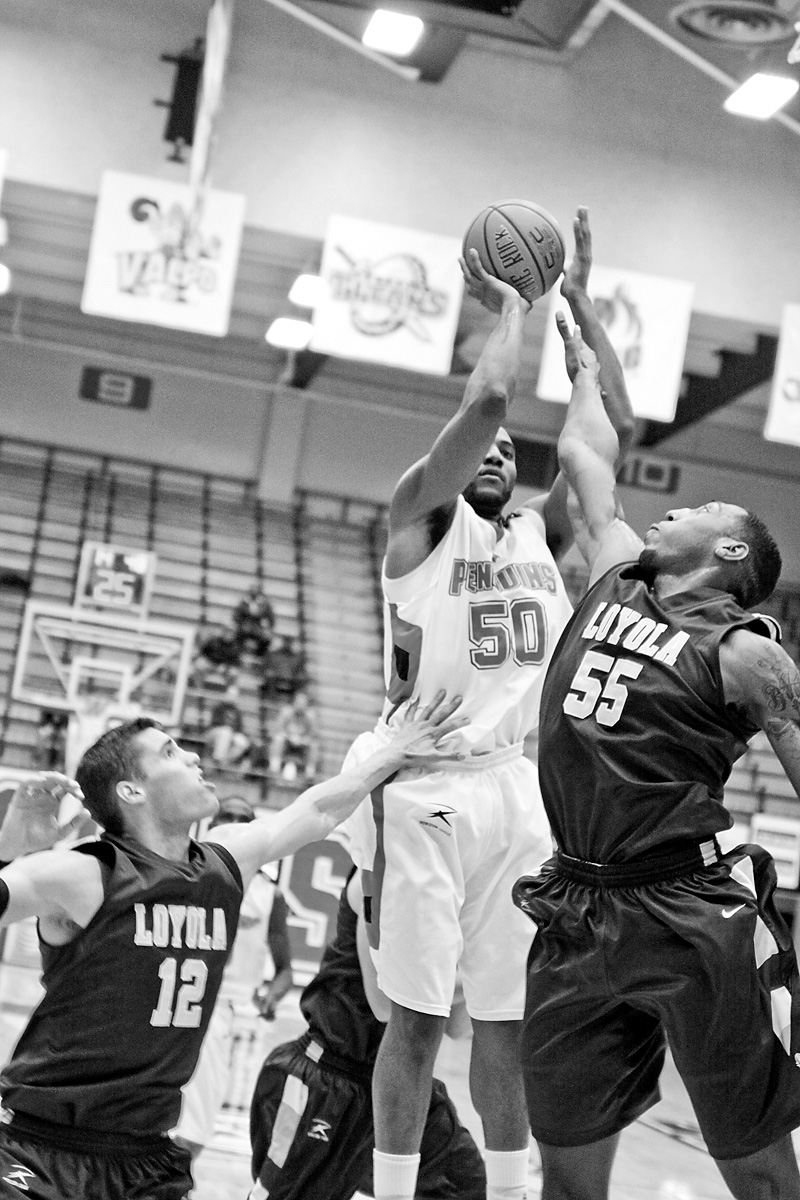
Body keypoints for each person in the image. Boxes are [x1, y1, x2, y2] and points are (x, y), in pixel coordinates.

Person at [341, 208, 635, 1200]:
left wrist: (578, 314)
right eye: (487, 448)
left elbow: (604, 435)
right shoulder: (416, 524)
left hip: (520, 791)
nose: (501, 450)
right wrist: (520, 300)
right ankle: (390, 1191)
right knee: (415, 1021)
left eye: (513, 450)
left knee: (509, 1020)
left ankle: (507, 1194)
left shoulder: (535, 540)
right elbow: (485, 400)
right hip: (426, 789)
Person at [513, 318, 799, 1199]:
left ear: (731, 552)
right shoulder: (614, 568)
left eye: (699, 510)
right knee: (563, 1172)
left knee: (752, 1164)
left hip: (693, 909)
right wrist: (587, 369)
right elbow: (585, 460)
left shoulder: (747, 650)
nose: (670, 508)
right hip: (577, 899)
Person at [0, 692, 465, 1200]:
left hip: (142, 1155)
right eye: (171, 752)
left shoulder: (223, 864)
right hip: (39, 1145)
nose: (194, 756)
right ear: (131, 791)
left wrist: (394, 752)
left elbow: (318, 809)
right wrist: (6, 849)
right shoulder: (85, 872)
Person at [248, 866, 485, 1200]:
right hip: (329, 1080)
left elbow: (459, 1027)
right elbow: (384, 1002)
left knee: (465, 1188)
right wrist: (495, 976)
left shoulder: (463, 898)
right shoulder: (379, 871)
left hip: (404, 1087)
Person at [173, 796, 293, 1163]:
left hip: (237, 1013)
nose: (236, 822)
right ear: (209, 826)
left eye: (244, 818)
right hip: (181, 1003)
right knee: (178, 1114)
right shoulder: (182, 878)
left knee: (209, 1114)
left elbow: (285, 969)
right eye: (228, 816)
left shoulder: (269, 894)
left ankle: (174, 1179)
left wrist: (271, 996)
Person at [270, 690, 319, 782]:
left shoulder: (311, 716)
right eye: (299, 703)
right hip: (287, 742)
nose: (300, 705)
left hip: (303, 744)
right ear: (294, 702)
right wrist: (290, 737)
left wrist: (303, 740)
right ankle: (274, 767)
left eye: (303, 703)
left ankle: (310, 772)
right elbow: (279, 729)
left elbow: (313, 734)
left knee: (314, 745)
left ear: (306, 705)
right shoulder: (286, 711)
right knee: (278, 738)